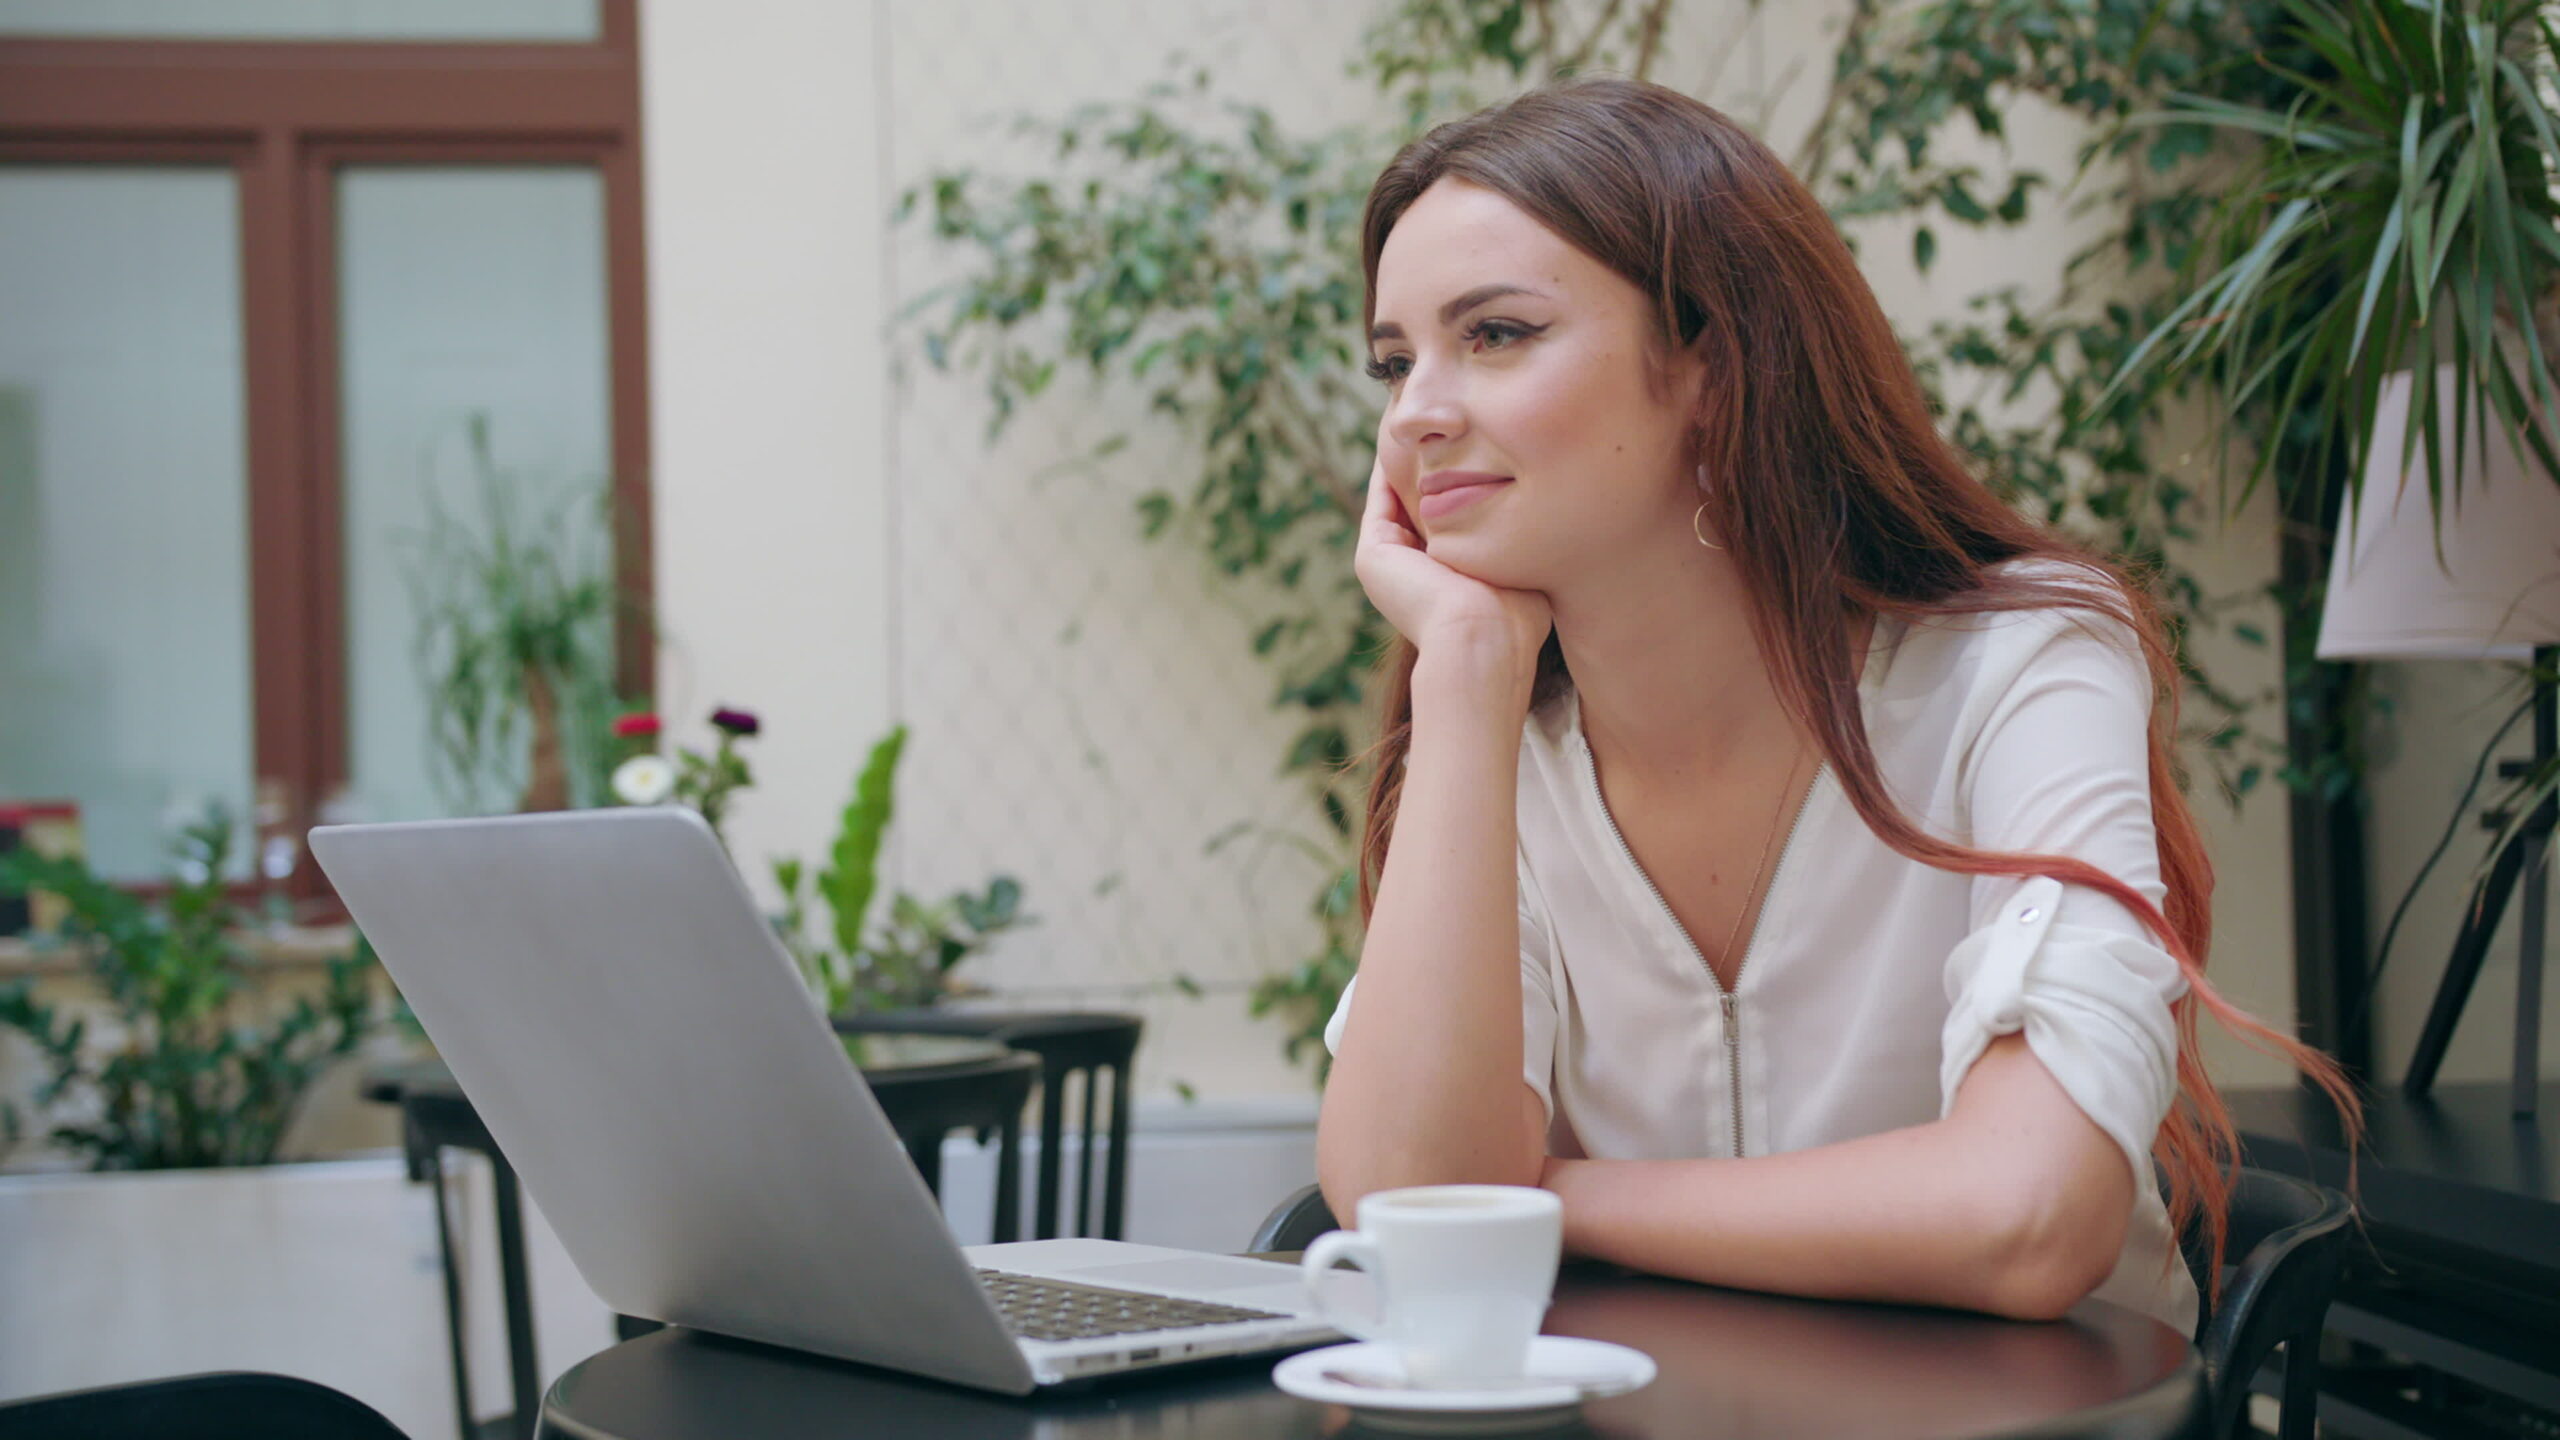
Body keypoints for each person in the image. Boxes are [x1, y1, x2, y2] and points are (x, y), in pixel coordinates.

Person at [1314, 75, 2358, 1336]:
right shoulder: (1497, 750)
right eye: (1392, 360)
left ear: (1711, 362)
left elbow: (2029, 1216)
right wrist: (1466, 676)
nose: (1415, 413)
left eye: (1494, 334)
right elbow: (1399, 1202)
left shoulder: (2027, 659)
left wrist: (1550, 1201)